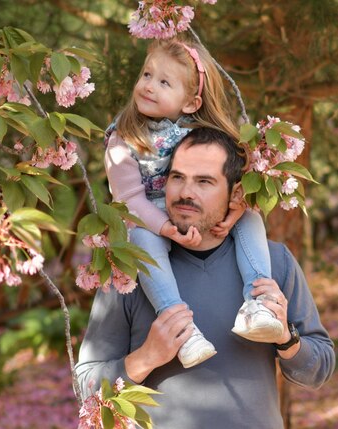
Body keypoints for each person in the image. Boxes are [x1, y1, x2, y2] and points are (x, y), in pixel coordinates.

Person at [76, 127, 335, 429]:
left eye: (204, 181)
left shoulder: (274, 262)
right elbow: (85, 384)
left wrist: (285, 339)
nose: (186, 192)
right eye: (177, 177)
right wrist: (146, 357)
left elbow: (320, 369)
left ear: (235, 193)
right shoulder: (129, 270)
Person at [104, 37, 282, 369]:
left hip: (196, 213)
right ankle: (181, 327)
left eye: (164, 82)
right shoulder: (124, 136)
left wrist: (234, 211)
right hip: (149, 216)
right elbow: (127, 199)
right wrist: (166, 228)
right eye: (146, 75)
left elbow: (243, 175)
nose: (148, 86)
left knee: (252, 220)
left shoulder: (203, 132)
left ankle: (260, 303)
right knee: (141, 241)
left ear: (190, 102)